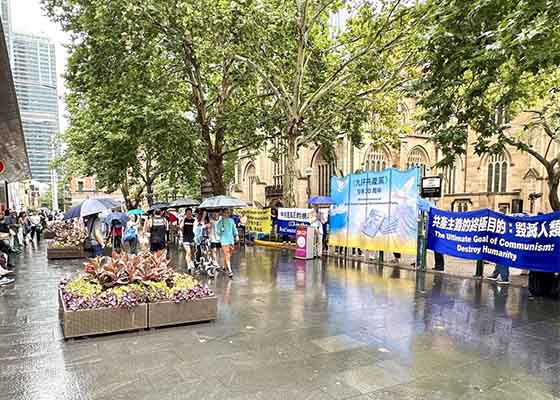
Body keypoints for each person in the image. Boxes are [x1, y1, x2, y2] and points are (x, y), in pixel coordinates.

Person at [216, 208, 239, 278]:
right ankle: (230, 270)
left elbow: (234, 229)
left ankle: (224, 266)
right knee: (227, 255)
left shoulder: (231, 221)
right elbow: (218, 232)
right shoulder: (220, 222)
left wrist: (236, 235)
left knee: (229, 255)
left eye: (228, 212)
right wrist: (221, 230)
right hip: (224, 241)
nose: (226, 214)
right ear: (222, 214)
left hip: (231, 240)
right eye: (225, 212)